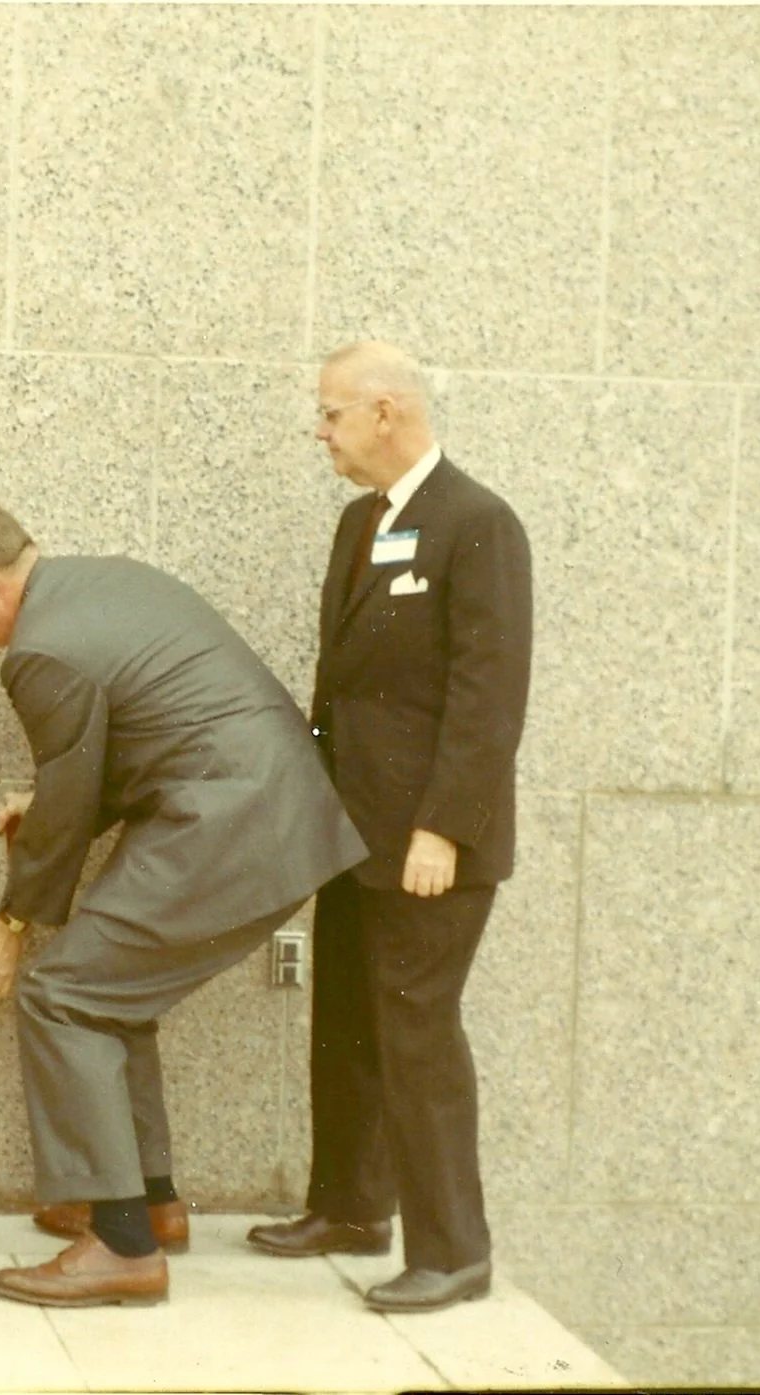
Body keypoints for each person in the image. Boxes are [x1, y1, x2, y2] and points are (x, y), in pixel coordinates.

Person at [0, 502, 365, 1307]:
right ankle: (149, 1202)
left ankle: (120, 1243)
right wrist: (48, 806)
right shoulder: (108, 581)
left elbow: (74, 777)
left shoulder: (40, 649)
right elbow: (106, 756)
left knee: (65, 996)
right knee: (109, 996)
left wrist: (7, 925)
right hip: (264, 806)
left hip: (229, 817)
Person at [248, 341, 532, 1314]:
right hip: (352, 830)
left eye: (329, 413)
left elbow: (487, 699)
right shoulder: (359, 524)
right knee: (346, 1025)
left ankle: (454, 1250)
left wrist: (443, 830)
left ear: (385, 412)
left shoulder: (478, 523)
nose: (318, 432)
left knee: (417, 1034)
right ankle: (351, 1206)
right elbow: (340, 690)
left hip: (428, 846)